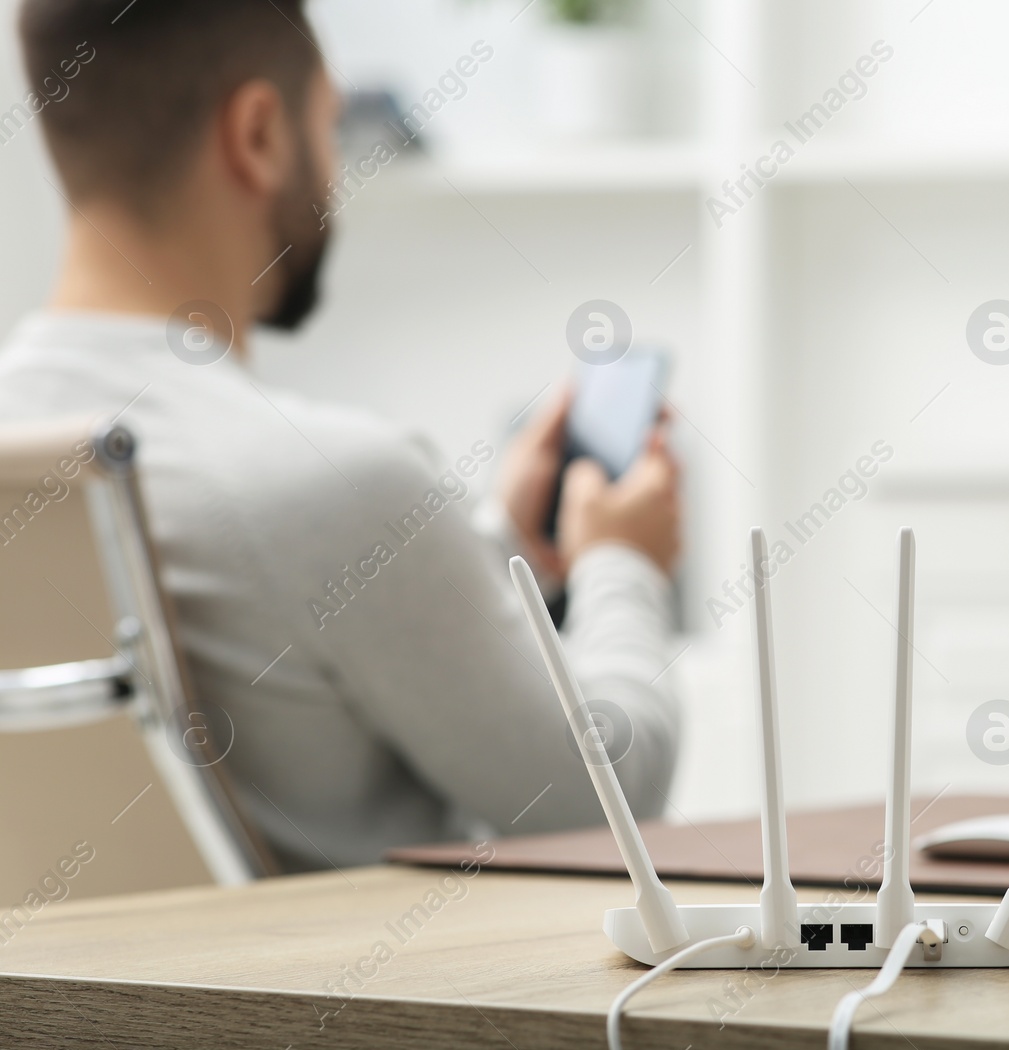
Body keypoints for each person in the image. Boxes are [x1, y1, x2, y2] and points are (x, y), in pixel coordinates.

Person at [0, 0, 683, 869]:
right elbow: (611, 797)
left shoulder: (27, 449)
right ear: (258, 136)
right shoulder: (337, 481)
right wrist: (620, 561)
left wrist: (498, 544)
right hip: (349, 1002)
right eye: (327, 127)